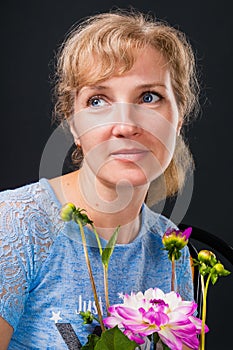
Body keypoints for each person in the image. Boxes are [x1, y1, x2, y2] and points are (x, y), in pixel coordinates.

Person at [0, 9, 199, 349]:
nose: (124, 126)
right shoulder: (15, 226)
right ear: (74, 125)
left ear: (178, 118)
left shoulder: (172, 249)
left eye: (149, 97)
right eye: (98, 100)